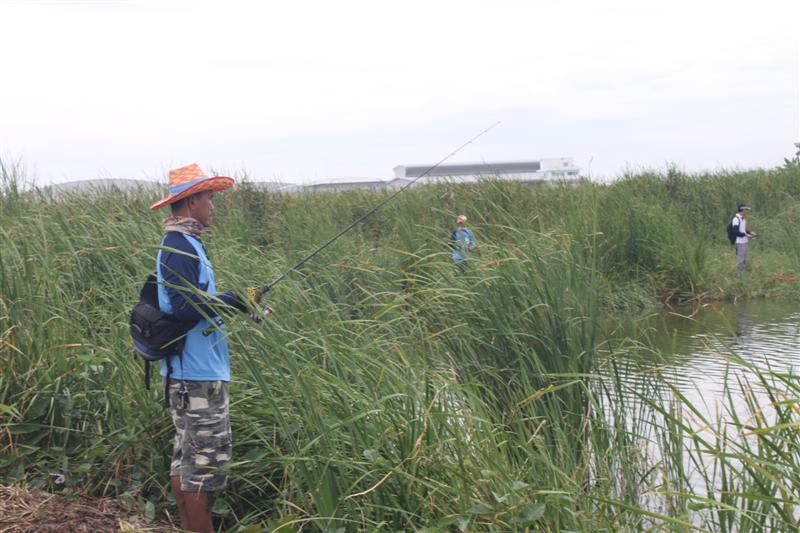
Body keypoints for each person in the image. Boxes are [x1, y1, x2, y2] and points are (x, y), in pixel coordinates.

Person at [149, 163, 261, 533]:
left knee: (187, 465)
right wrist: (231, 299)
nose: (213, 205)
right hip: (194, 377)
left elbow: (194, 303)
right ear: (192, 200)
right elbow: (183, 307)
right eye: (210, 198)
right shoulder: (179, 245)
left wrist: (240, 303)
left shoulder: (187, 242)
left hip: (191, 373)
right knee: (201, 473)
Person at [731, 203, 756, 273]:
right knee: (741, 260)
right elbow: (736, 232)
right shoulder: (736, 219)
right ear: (742, 210)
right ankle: (739, 276)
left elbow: (743, 230)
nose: (747, 211)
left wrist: (750, 232)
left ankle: (742, 275)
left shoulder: (743, 219)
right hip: (739, 242)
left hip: (744, 241)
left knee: (744, 259)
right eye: (746, 210)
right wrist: (747, 236)